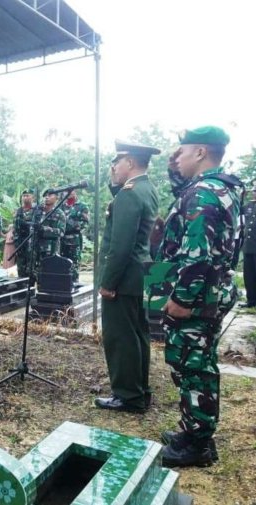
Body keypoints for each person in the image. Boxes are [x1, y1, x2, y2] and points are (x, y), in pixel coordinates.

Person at [157, 126, 243, 467]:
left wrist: (182, 298)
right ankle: (193, 429)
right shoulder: (217, 187)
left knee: (193, 365)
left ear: (201, 153)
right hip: (211, 290)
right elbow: (183, 199)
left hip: (198, 296)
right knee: (193, 360)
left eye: (183, 151)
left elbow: (198, 254)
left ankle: (198, 444)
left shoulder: (203, 194)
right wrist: (173, 170)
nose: (177, 157)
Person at [94, 140, 160, 414]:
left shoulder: (130, 194)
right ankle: (139, 390)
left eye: (117, 162)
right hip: (138, 274)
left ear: (130, 162)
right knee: (137, 334)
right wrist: (115, 185)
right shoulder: (146, 189)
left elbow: (120, 246)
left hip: (122, 278)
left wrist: (108, 283)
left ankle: (127, 395)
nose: (113, 167)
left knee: (121, 337)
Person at [32, 189, 66, 281]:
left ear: (56, 198)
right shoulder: (38, 212)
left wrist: (46, 229)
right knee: (37, 275)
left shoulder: (59, 214)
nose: (47, 197)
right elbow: (32, 228)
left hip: (51, 250)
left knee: (50, 276)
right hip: (36, 249)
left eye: (50, 195)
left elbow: (61, 232)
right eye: (45, 195)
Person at [61, 190, 89, 283]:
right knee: (62, 263)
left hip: (74, 240)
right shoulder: (61, 206)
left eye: (71, 191)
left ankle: (74, 283)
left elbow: (85, 223)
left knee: (74, 263)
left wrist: (74, 226)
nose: (69, 193)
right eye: (67, 191)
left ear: (75, 192)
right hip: (61, 240)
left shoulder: (82, 206)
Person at [13, 189, 36, 279]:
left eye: (27, 195)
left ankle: (31, 285)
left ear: (33, 197)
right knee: (21, 267)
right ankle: (21, 284)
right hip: (20, 243)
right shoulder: (18, 211)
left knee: (31, 268)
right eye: (24, 196)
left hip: (31, 242)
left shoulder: (36, 210)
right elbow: (15, 227)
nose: (25, 197)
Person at [241, 186, 256, 308]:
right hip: (248, 246)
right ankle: (251, 301)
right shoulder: (249, 206)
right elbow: (236, 209)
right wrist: (241, 196)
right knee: (249, 275)